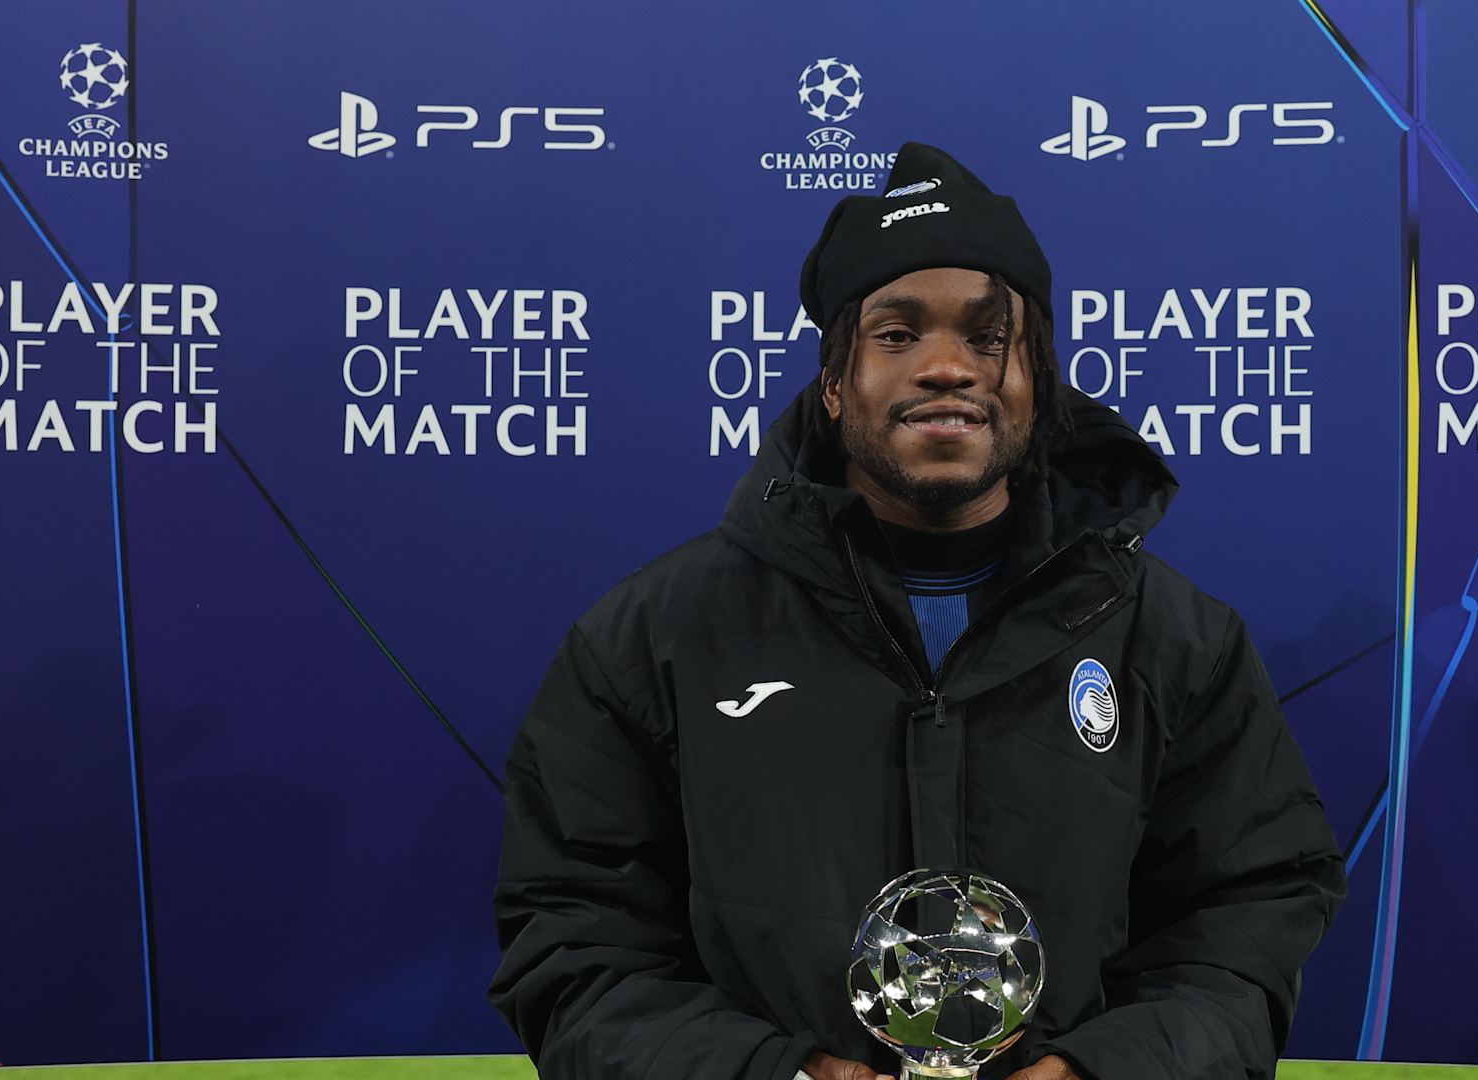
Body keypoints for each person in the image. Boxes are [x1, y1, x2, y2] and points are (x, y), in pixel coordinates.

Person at [490, 142, 1347, 1080]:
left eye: (987, 337)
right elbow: (574, 940)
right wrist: (770, 1073)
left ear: (1038, 380)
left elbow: (1247, 918)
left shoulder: (1178, 641)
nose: (946, 367)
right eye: (897, 335)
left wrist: (1100, 1070)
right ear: (833, 383)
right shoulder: (655, 637)